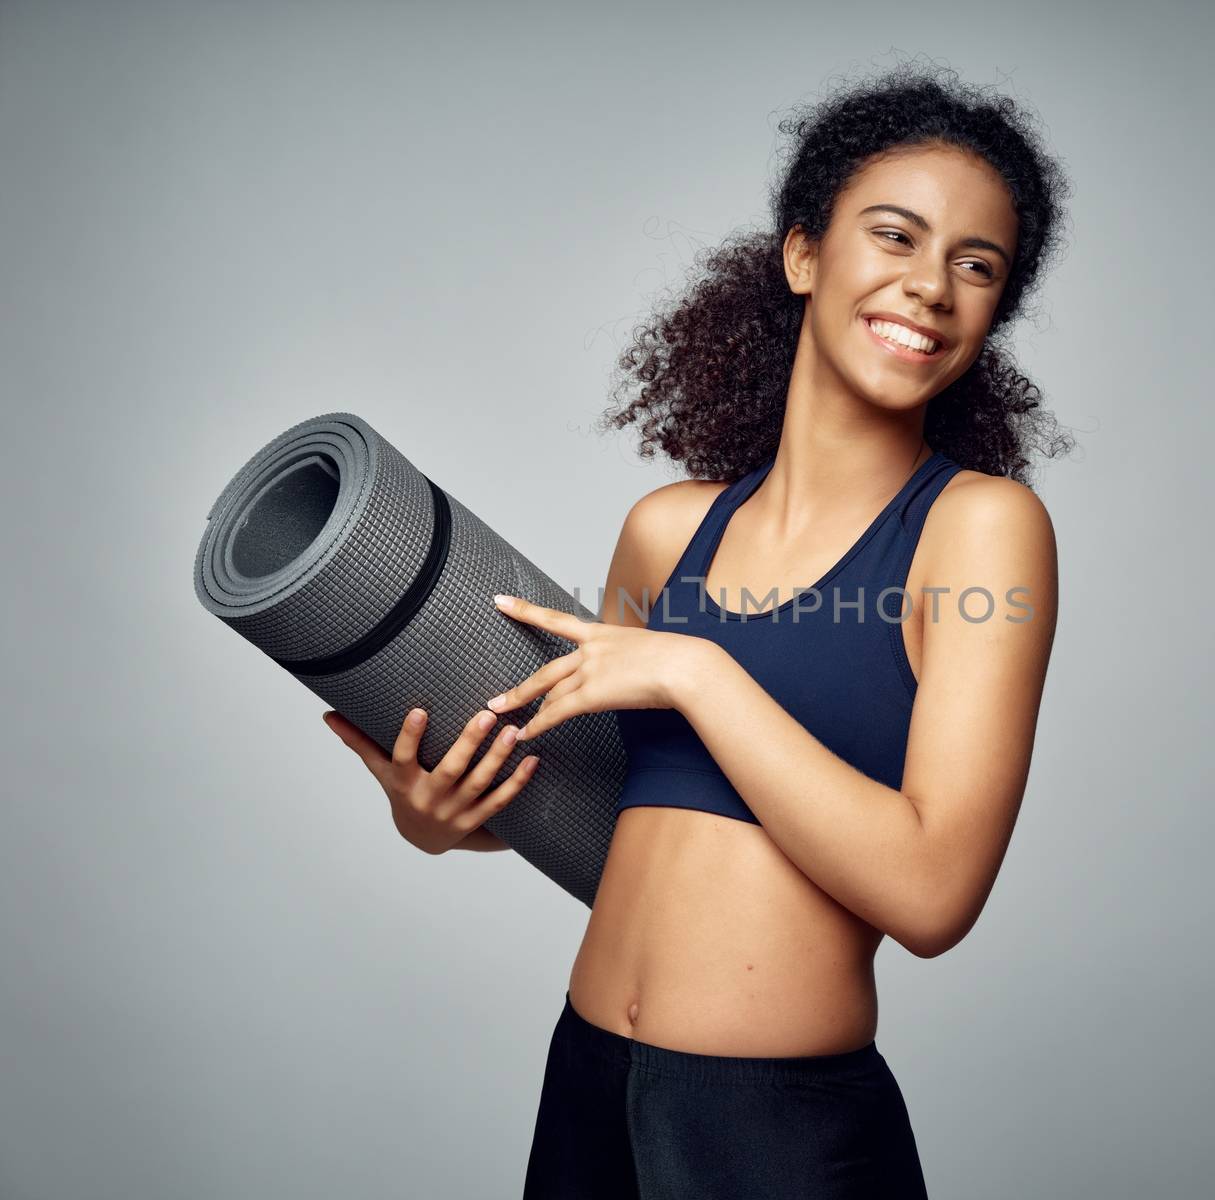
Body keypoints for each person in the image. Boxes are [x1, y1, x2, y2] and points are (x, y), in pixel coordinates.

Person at [323, 60, 1073, 1199]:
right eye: (895, 237)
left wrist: (698, 669)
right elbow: (612, 811)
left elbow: (932, 896)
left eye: (978, 266)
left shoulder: (979, 531)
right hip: (585, 1084)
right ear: (804, 255)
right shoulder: (668, 531)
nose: (932, 285)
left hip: (778, 1130)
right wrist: (448, 823)